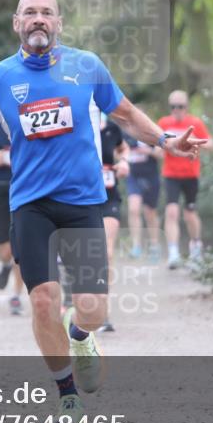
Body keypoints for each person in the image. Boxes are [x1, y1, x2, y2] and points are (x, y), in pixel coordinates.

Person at [0, 0, 207, 423]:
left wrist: (168, 141)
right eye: (30, 14)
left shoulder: (86, 66)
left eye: (47, 14)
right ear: (16, 23)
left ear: (59, 24)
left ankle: (81, 337)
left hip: (83, 202)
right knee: (43, 301)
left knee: (93, 307)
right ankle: (66, 392)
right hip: (30, 205)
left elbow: (127, 115)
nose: (39, 20)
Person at [158, 90, 213, 269]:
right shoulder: (163, 123)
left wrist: (194, 141)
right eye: (173, 107)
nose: (177, 110)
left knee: (190, 213)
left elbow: (211, 144)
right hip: (171, 174)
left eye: (180, 106)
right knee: (172, 211)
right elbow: (156, 147)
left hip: (191, 174)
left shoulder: (195, 123)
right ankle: (174, 253)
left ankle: (196, 246)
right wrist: (161, 148)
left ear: (186, 107)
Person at [98, 113, 128, 332]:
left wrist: (124, 162)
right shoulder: (74, 123)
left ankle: (104, 312)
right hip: (80, 198)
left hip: (109, 197)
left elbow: (123, 148)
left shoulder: (111, 128)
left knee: (106, 253)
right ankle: (70, 301)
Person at [0, 126, 25, 315]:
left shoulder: (29, 121)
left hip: (24, 190)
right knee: (6, 251)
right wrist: (1, 157)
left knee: (20, 245)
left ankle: (16, 296)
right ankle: (5, 264)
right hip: (1, 190)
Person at [123, 132, 163, 263]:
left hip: (150, 177)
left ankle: (154, 245)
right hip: (133, 176)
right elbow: (117, 152)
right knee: (134, 209)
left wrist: (145, 150)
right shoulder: (125, 134)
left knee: (149, 212)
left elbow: (160, 154)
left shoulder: (151, 133)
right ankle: (136, 246)